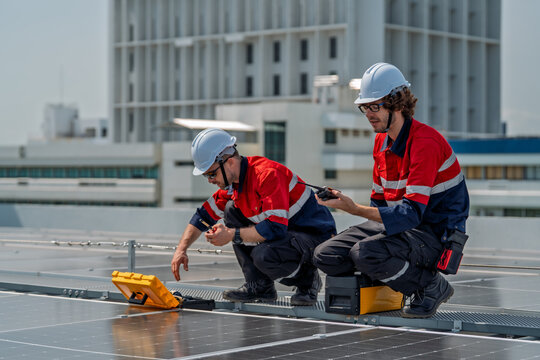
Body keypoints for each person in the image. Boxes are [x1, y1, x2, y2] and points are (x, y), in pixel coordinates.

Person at [312, 62, 469, 318]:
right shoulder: (381, 142)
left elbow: (410, 214)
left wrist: (352, 208)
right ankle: (391, 280)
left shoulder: (425, 143)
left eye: (376, 106)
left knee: (365, 253)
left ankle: (431, 286)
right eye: (365, 107)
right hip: (403, 230)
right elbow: (379, 206)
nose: (369, 114)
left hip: (432, 235)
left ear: (398, 103)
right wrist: (347, 203)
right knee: (325, 255)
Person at [171, 128, 336, 306]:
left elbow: (274, 227)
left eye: (212, 173)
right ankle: (259, 287)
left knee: (264, 255)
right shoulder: (234, 186)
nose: (210, 180)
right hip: (288, 235)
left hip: (316, 239)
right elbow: (202, 216)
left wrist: (231, 234)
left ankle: (308, 281)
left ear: (230, 161)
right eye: (206, 175)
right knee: (231, 210)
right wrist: (181, 250)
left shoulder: (267, 175)